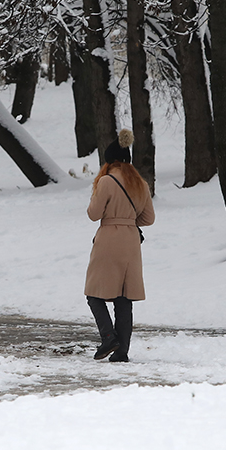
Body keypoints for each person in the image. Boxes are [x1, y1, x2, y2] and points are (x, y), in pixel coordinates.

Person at [84, 129, 154, 362]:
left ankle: (108, 337)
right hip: (131, 242)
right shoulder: (140, 184)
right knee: (124, 298)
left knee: (94, 294)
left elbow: (94, 214)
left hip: (108, 240)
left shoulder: (106, 180)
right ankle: (122, 351)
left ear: (109, 160)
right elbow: (148, 219)